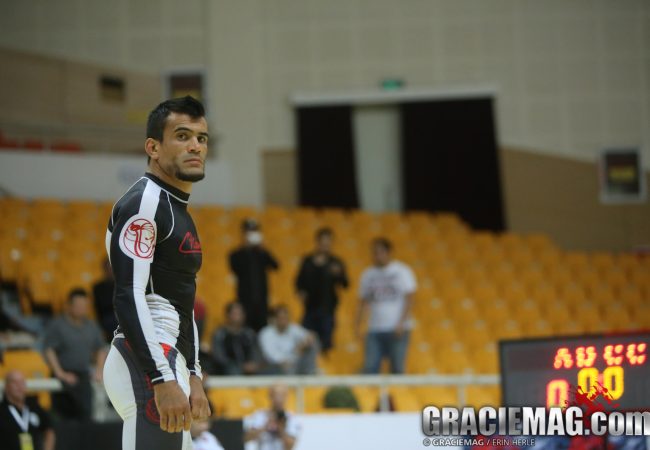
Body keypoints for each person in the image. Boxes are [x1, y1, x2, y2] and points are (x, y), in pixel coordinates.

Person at [102, 96, 211, 450]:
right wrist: (161, 378)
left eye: (201, 138)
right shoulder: (144, 203)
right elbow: (128, 295)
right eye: (182, 136)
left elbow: (183, 301)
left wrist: (193, 374)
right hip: (148, 360)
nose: (195, 146)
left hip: (168, 358)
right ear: (153, 147)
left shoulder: (177, 209)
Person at [43, 287, 107, 421]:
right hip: (64, 374)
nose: (82, 309)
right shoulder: (58, 325)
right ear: (69, 306)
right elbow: (49, 349)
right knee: (65, 416)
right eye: (78, 306)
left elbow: (100, 348)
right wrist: (60, 373)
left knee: (85, 413)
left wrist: (99, 370)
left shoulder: (91, 326)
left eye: (85, 306)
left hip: (83, 374)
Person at [355, 238, 417, 374]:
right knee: (370, 367)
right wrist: (358, 325)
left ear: (389, 252)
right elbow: (363, 301)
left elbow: (410, 298)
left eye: (381, 252)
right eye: (375, 253)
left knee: (397, 368)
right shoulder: (368, 275)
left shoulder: (402, 271)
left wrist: (401, 323)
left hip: (397, 329)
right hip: (374, 328)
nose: (377, 256)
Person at [295, 227, 348, 353]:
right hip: (310, 308)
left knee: (326, 344)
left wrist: (339, 274)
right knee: (305, 341)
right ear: (317, 242)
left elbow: (345, 284)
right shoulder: (308, 261)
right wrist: (300, 292)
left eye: (328, 242)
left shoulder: (336, 262)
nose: (325, 245)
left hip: (327, 309)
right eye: (323, 242)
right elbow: (298, 281)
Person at [229, 219, 279, 332]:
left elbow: (276, 266)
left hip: (262, 301)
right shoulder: (236, 254)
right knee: (245, 330)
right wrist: (245, 248)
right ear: (243, 234)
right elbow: (235, 268)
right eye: (248, 232)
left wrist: (263, 249)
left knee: (262, 330)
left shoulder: (261, 253)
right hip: (245, 300)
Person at [0, 370, 55, 450]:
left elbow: (49, 429)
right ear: (6, 386)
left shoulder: (34, 406)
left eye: (22, 382)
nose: (19, 387)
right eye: (14, 383)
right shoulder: (2, 410)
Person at [258, 305, 318, 375]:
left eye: (286, 318)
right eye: (281, 318)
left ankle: (310, 371)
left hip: (294, 363)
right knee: (284, 367)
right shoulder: (266, 333)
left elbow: (311, 336)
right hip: (275, 367)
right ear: (274, 319)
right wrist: (288, 359)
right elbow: (271, 356)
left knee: (313, 343)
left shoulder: (293, 328)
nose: (284, 321)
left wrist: (303, 344)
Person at [210, 301, 261, 375]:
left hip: (250, 367)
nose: (238, 317)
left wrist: (253, 364)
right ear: (228, 315)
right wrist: (241, 366)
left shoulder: (249, 334)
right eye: (235, 313)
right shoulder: (220, 334)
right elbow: (219, 357)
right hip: (226, 369)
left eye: (240, 313)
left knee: (271, 370)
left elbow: (256, 352)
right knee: (233, 370)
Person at [244, 385, 300, 450]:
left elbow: (290, 446)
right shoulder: (260, 415)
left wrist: (280, 428)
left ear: (286, 396)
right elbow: (247, 438)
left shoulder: (291, 417)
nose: (278, 398)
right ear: (270, 396)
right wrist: (265, 426)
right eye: (275, 395)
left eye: (282, 395)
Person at [93, 257, 118, 341]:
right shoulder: (98, 287)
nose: (110, 271)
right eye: (108, 268)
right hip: (108, 320)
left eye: (112, 268)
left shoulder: (122, 285)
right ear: (104, 269)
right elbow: (99, 308)